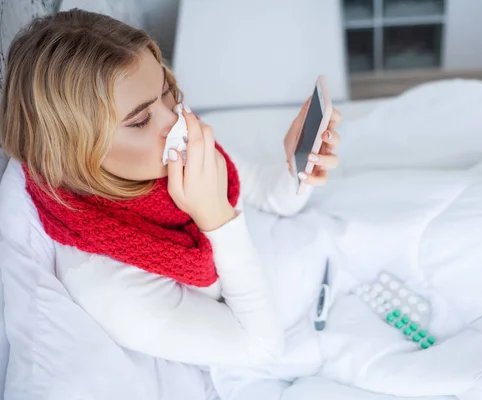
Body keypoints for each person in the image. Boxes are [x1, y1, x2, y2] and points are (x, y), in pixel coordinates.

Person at [0, 9, 341, 367]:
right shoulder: (110, 286)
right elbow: (263, 349)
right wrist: (216, 220)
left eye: (167, 93)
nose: (177, 120)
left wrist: (297, 167)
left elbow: (264, 194)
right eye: (140, 120)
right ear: (73, 152)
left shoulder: (158, 158)